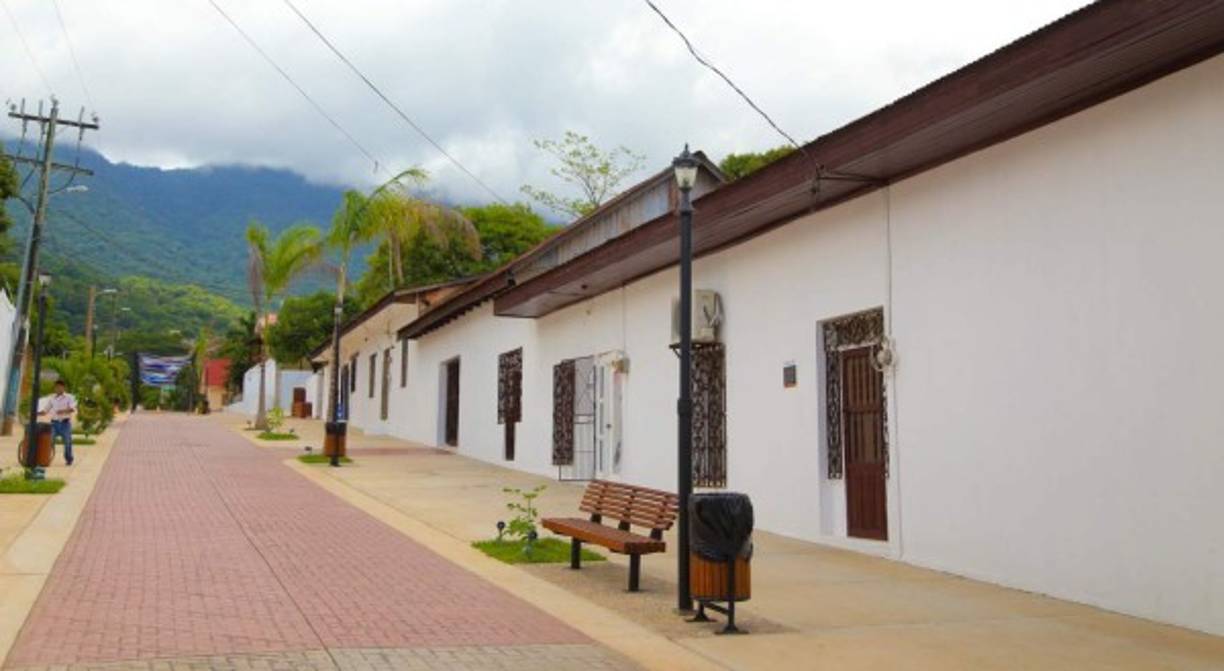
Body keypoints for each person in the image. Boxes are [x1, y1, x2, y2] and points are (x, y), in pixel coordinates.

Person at [38, 380, 78, 466]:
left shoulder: (69, 397)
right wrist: (38, 413)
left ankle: (69, 459)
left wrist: (62, 411)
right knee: (50, 441)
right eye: (56, 387)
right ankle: (46, 458)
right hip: (54, 424)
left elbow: (72, 408)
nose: (58, 389)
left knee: (67, 442)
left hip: (65, 424)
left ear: (64, 388)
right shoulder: (52, 398)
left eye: (60, 387)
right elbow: (46, 410)